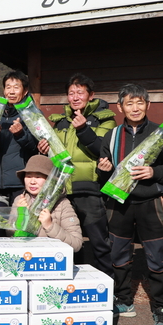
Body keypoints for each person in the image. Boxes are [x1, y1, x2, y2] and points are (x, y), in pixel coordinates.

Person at [97, 83, 163, 325]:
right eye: (129, 103)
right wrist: (103, 169)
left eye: (139, 103)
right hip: (119, 203)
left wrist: (153, 172)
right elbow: (104, 173)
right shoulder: (111, 136)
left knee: (156, 258)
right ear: (120, 107)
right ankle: (124, 300)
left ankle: (162, 308)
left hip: (151, 203)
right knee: (119, 256)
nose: (135, 108)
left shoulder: (161, 133)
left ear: (148, 105)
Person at [37, 73, 116, 277]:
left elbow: (103, 150)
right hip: (63, 190)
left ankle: (108, 285)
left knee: (99, 242)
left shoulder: (104, 119)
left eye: (80, 92)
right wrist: (44, 148)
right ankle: (73, 283)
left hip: (89, 189)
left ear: (91, 95)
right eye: (71, 93)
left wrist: (83, 129)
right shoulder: (61, 121)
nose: (75, 97)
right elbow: (55, 154)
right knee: (68, 241)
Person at [0, 155, 82, 251]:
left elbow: (76, 244)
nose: (32, 181)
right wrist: (20, 216)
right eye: (29, 176)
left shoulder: (62, 204)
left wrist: (50, 225)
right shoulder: (20, 199)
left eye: (38, 177)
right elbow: (10, 235)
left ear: (50, 181)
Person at [0, 70, 38, 204]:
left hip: (20, 182)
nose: (11, 92)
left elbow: (35, 148)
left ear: (25, 91)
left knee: (19, 215)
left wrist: (20, 134)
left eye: (16, 87)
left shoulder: (32, 114)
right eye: (8, 87)